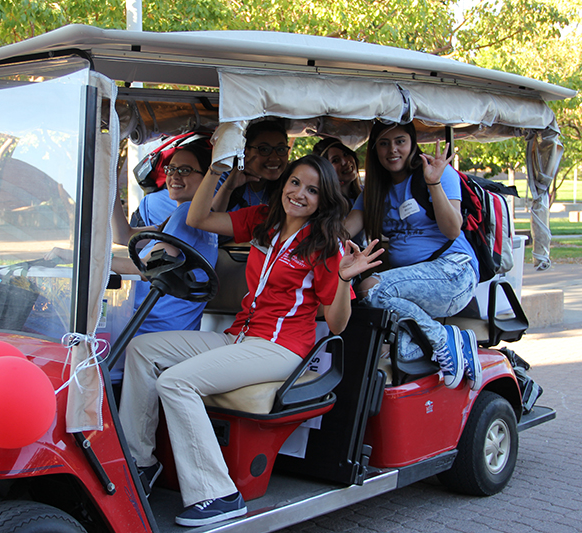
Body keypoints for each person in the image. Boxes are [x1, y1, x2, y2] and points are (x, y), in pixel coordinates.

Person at [118, 154, 382, 527]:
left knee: (176, 381)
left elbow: (338, 325)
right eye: (295, 183)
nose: (300, 194)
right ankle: (141, 464)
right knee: (143, 350)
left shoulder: (326, 245)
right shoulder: (262, 221)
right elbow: (198, 219)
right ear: (285, 183)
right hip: (239, 337)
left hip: (282, 348)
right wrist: (216, 169)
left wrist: (342, 280)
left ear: (323, 201)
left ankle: (218, 494)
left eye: (312, 190)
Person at [344, 121, 482, 391]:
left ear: (412, 143)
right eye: (384, 143)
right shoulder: (375, 190)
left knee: (371, 289)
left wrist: (433, 183)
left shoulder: (436, 174)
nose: (392, 150)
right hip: (412, 288)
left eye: (400, 141)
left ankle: (445, 339)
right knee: (393, 350)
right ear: (374, 150)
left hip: (454, 272)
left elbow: (453, 229)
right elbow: (345, 232)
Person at [110, 141, 219, 338]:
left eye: (185, 170)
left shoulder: (187, 214)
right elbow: (122, 235)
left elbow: (151, 267)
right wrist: (110, 184)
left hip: (149, 329)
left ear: (205, 180)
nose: (174, 176)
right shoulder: (185, 217)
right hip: (151, 324)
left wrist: (91, 262)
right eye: (171, 169)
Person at [212, 118, 290, 212]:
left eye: (281, 149)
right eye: (264, 149)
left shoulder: (290, 185)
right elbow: (207, 220)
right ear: (246, 152)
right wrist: (228, 188)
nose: (274, 158)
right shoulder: (224, 177)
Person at [313, 138, 362, 203]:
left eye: (346, 154)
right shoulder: (327, 206)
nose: (345, 162)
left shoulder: (367, 193)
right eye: (335, 160)